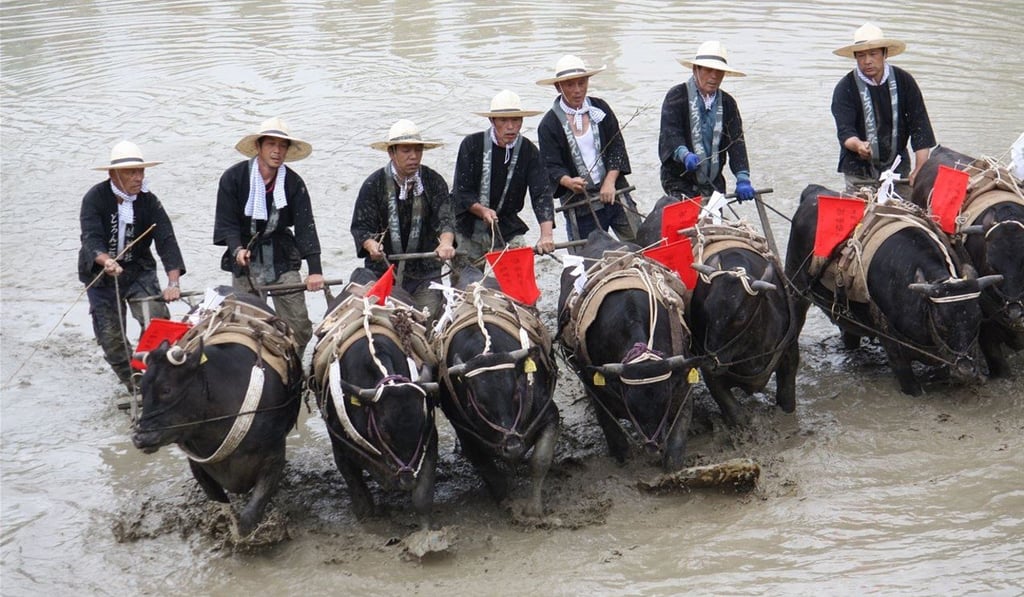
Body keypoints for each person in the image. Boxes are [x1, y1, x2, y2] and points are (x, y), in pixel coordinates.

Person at [78, 140, 185, 401]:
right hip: (100, 275)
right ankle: (134, 382)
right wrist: (106, 261)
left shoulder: (149, 202)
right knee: (111, 338)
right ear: (113, 175)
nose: (138, 178)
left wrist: (173, 283)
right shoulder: (95, 198)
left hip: (138, 269)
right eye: (130, 173)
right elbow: (91, 238)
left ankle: (155, 376)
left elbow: (167, 241)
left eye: (140, 172)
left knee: (158, 322)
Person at [214, 117, 324, 353]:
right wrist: (236, 249)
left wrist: (315, 271)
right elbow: (228, 223)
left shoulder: (294, 183)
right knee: (244, 328)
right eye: (271, 144)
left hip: (282, 257)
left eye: (282, 145)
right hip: (245, 258)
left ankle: (294, 370)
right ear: (258, 147)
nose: (277, 151)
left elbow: (306, 227)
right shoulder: (233, 179)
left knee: (299, 327)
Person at [351, 119, 456, 319]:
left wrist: (446, 242)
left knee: (428, 318)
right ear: (392, 153)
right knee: (377, 321)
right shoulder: (373, 185)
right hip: (383, 271)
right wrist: (371, 244)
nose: (413, 157)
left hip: (425, 272)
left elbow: (446, 219)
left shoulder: (434, 181)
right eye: (406, 151)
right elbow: (361, 227)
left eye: (418, 150)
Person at [536, 54, 639, 246]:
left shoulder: (600, 108)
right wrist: (567, 181)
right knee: (588, 262)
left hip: (614, 191)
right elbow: (551, 165)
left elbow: (616, 146)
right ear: (558, 87)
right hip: (578, 201)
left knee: (641, 244)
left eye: (581, 83)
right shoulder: (548, 125)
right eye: (570, 85)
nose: (577, 91)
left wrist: (609, 182)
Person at [452, 89, 556, 267]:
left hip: (506, 224)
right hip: (468, 224)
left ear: (522, 121)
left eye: (515, 120)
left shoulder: (529, 151)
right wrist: (482, 210)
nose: (510, 126)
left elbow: (542, 194)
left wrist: (546, 235)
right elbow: (461, 192)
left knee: (519, 280)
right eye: (503, 120)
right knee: (466, 287)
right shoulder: (471, 145)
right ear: (492, 121)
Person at [831, 23, 936, 195]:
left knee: (907, 215)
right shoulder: (845, 88)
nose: (867, 61)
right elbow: (845, 132)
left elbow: (920, 128)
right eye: (861, 55)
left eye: (873, 54)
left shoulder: (905, 81)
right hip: (858, 171)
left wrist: (920, 169)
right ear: (855, 57)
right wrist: (858, 145)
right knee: (859, 219)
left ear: (885, 53)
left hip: (897, 168)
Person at [659, 40, 756, 203]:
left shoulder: (727, 103)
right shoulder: (677, 96)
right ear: (696, 69)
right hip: (679, 180)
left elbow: (736, 143)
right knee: (688, 225)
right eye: (709, 70)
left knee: (714, 225)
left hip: (714, 182)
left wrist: (743, 178)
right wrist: (684, 155)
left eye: (719, 72)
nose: (714, 76)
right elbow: (671, 134)